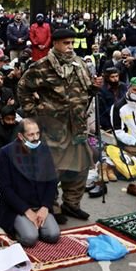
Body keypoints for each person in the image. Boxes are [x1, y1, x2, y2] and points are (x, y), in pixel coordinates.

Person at [17, 28, 102, 223]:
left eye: (72, 43)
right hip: (54, 128)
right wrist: (34, 114)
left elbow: (87, 88)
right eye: (66, 43)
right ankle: (52, 206)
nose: (70, 47)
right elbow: (23, 88)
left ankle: (72, 204)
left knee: (79, 168)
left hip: (78, 126)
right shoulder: (42, 66)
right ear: (55, 44)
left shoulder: (79, 63)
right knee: (53, 170)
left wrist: (95, 86)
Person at [0, 119, 60, 247]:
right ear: (20, 136)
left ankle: (35, 226)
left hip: (40, 205)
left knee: (53, 235)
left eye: (37, 133)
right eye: (31, 135)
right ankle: (22, 228)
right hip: (17, 208)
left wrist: (45, 207)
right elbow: (5, 188)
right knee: (30, 238)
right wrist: (26, 211)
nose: (35, 138)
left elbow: (52, 181)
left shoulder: (44, 150)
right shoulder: (6, 153)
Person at [111, 77, 136, 157]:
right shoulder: (118, 107)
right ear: (129, 88)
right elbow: (118, 132)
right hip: (127, 144)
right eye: (135, 90)